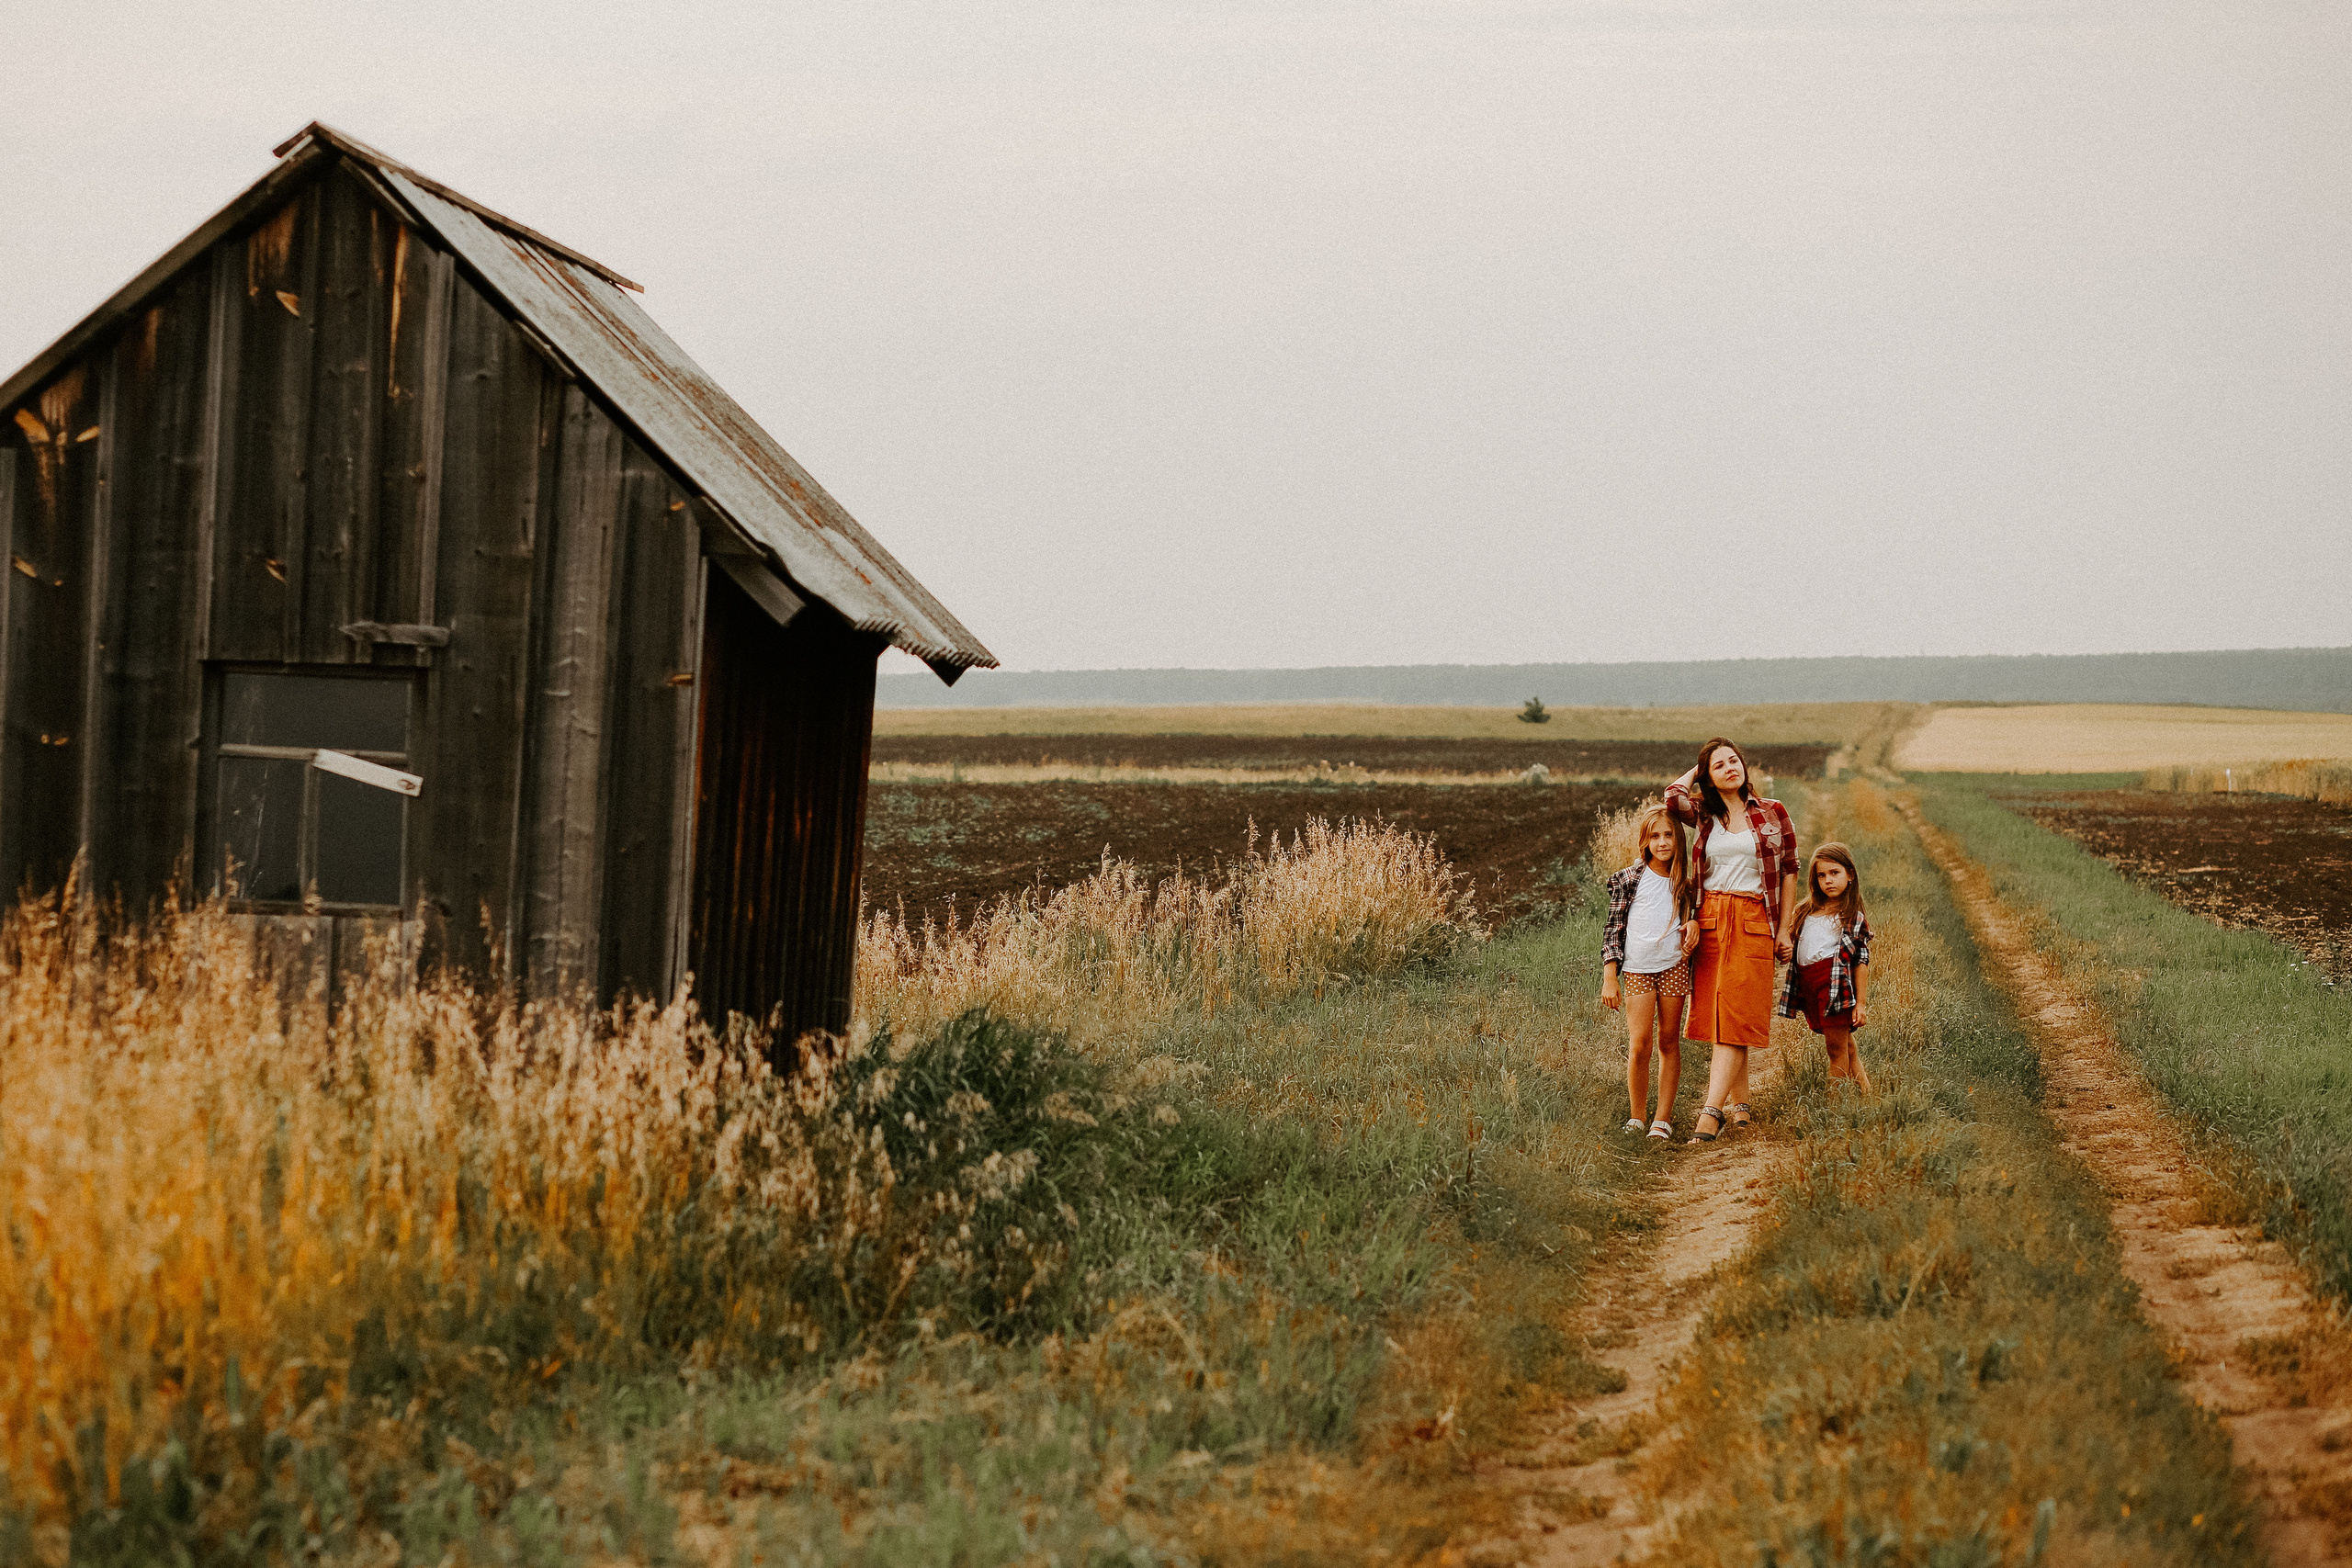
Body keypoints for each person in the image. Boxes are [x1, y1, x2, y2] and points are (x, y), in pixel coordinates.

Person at [1665, 738, 1799, 1144]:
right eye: (1718, 765)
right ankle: (1741, 1105)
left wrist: (1785, 927)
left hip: (1753, 914)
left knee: (1736, 1011)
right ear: (1707, 777)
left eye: (1734, 760)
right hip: (1709, 919)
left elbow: (1790, 868)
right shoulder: (1705, 813)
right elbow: (1672, 798)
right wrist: (1697, 771)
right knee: (1720, 1010)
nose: (1730, 767)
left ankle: (1711, 1112)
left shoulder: (1773, 812)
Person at [1600, 806, 1700, 1140]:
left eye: (1668, 835)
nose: (1662, 842)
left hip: (1673, 967)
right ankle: (1637, 1116)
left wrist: (1693, 925)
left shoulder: (1685, 884)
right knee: (1640, 1043)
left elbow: (1693, 921)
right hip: (1637, 969)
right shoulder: (1629, 880)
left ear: (1678, 839)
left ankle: (1663, 1119)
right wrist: (1610, 977)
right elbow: (1613, 931)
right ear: (1645, 840)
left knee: (1669, 1042)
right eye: (1655, 836)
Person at [1781, 842, 1873, 1090]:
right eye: (1822, 875)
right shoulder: (1805, 911)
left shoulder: (1851, 916)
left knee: (1835, 1050)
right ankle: (1869, 1097)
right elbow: (1791, 941)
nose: (1828, 881)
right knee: (1846, 1046)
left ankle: (1836, 1106)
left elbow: (1861, 961)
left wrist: (1861, 1004)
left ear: (1850, 875)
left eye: (1835, 873)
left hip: (1835, 988)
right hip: (1809, 985)